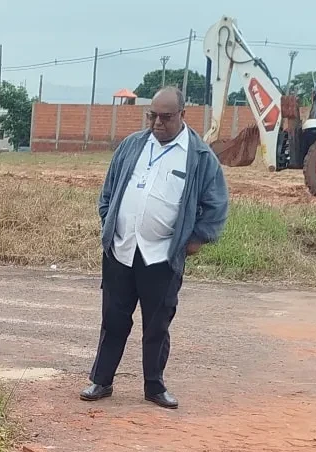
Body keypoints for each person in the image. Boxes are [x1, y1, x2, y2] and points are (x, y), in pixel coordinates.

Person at [80, 86, 230, 411]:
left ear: (182, 116)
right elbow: (108, 190)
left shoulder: (200, 156)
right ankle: (101, 381)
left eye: (166, 117)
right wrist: (110, 220)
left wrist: (196, 240)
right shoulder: (132, 145)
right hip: (121, 251)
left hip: (161, 257)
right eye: (153, 116)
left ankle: (154, 387)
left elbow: (216, 204)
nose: (158, 123)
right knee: (113, 320)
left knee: (157, 326)